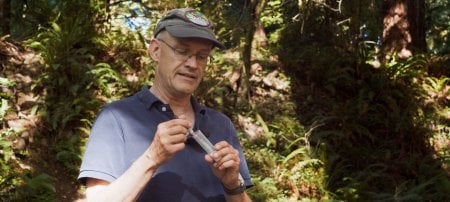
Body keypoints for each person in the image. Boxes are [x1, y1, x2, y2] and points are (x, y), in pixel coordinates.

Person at [78, 8, 253, 202]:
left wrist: (233, 186)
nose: (193, 64)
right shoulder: (116, 118)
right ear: (155, 50)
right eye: (182, 51)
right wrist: (152, 158)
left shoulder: (221, 124)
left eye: (202, 56)